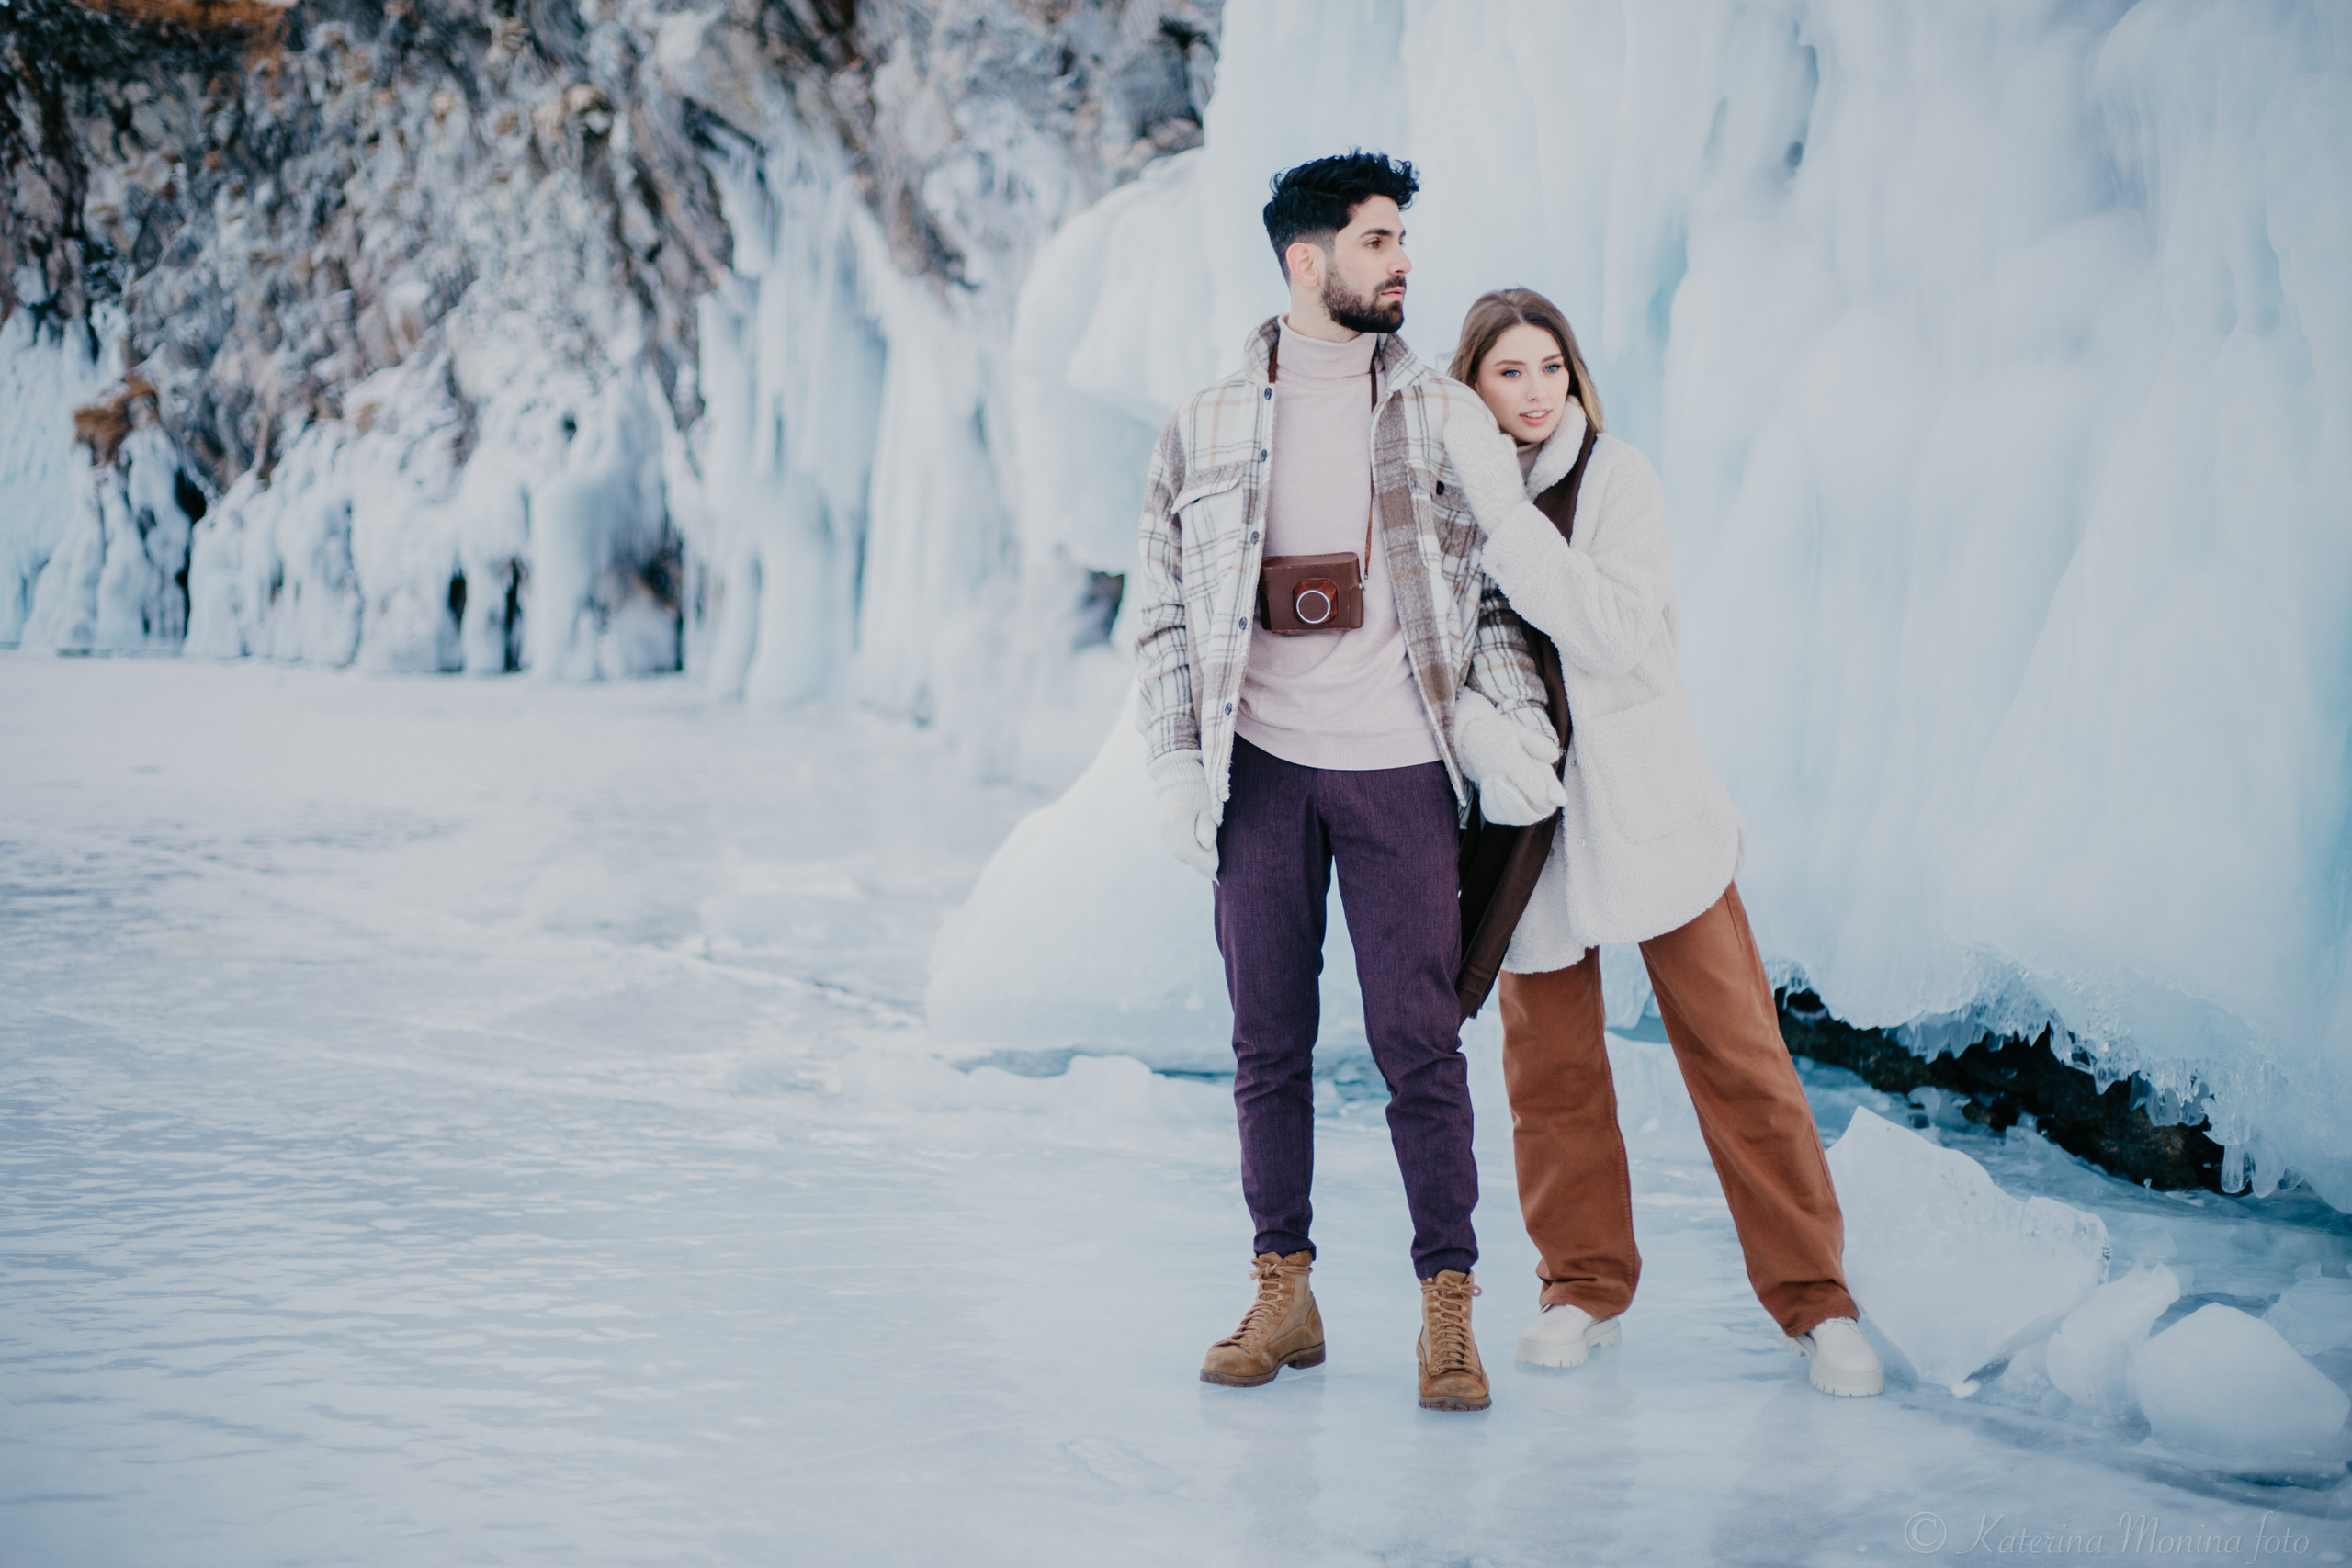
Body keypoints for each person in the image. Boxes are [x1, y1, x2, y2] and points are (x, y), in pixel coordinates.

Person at [1133, 155, 1565, 1413]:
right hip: (1258, 772)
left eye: (1404, 239)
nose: (1403, 262)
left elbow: (1485, 590)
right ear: (1306, 260)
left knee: (1419, 1045)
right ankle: (1285, 1286)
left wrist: (1504, 721)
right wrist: (1173, 762)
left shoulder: (1441, 411)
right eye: (1379, 241)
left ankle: (1449, 1307)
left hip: (1399, 772)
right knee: (1265, 1041)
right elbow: (1162, 611)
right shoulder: (1204, 422)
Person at [1441, 288, 1885, 1398]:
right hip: (1528, 829)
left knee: (1739, 1060)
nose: (1535, 391)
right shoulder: (1445, 503)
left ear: (1575, 375)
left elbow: (1606, 628)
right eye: (1509, 373)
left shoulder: (1617, 479)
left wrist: (1502, 515)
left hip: (1653, 812)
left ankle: (1815, 1302)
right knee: (1552, 1079)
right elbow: (1435, 654)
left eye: (1550, 367)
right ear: (1472, 389)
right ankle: (1582, 1288)